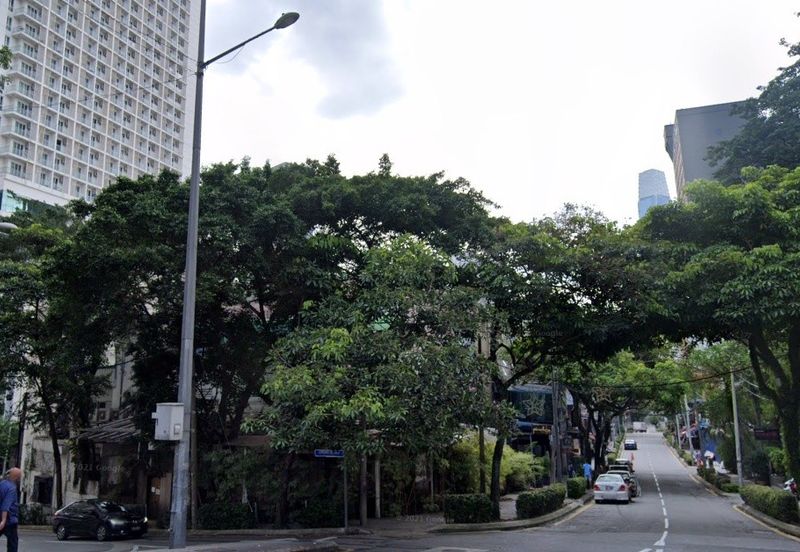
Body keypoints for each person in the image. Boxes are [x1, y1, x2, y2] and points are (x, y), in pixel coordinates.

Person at [0, 468, 20, 552]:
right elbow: (6, 504)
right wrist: (3, 520)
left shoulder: (2, 484)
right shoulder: (12, 488)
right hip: (9, 520)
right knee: (13, 543)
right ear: (16, 477)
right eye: (19, 477)